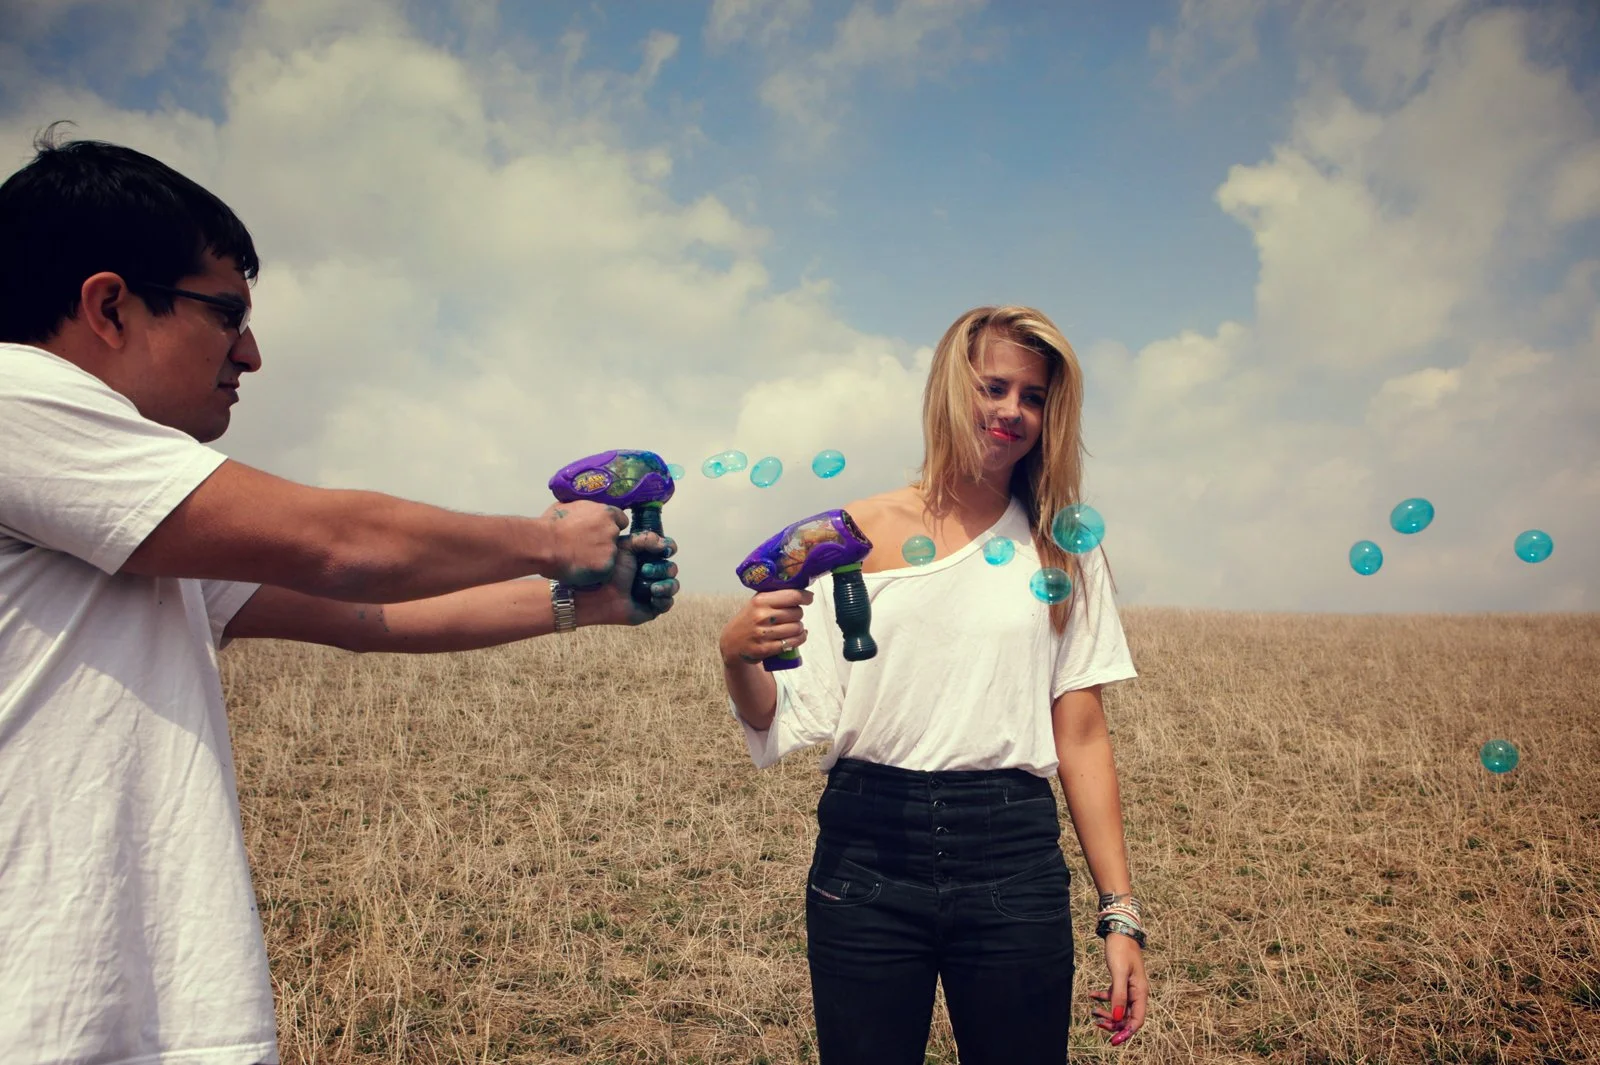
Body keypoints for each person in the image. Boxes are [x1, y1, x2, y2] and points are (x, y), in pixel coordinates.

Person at [0, 128, 679, 1065]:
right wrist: (551, 542)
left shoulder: (127, 515)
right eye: (226, 313)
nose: (253, 353)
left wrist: (585, 603)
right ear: (108, 305)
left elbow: (369, 619)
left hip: (115, 1008)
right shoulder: (12, 398)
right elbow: (340, 548)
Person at [719, 305, 1149, 1063]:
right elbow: (783, 713)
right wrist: (736, 654)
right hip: (868, 854)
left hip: (1012, 856)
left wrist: (1120, 913)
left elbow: (1081, 735)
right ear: (952, 388)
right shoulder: (847, 535)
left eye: (1034, 396)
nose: (1012, 410)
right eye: (993, 387)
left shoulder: (1062, 552)